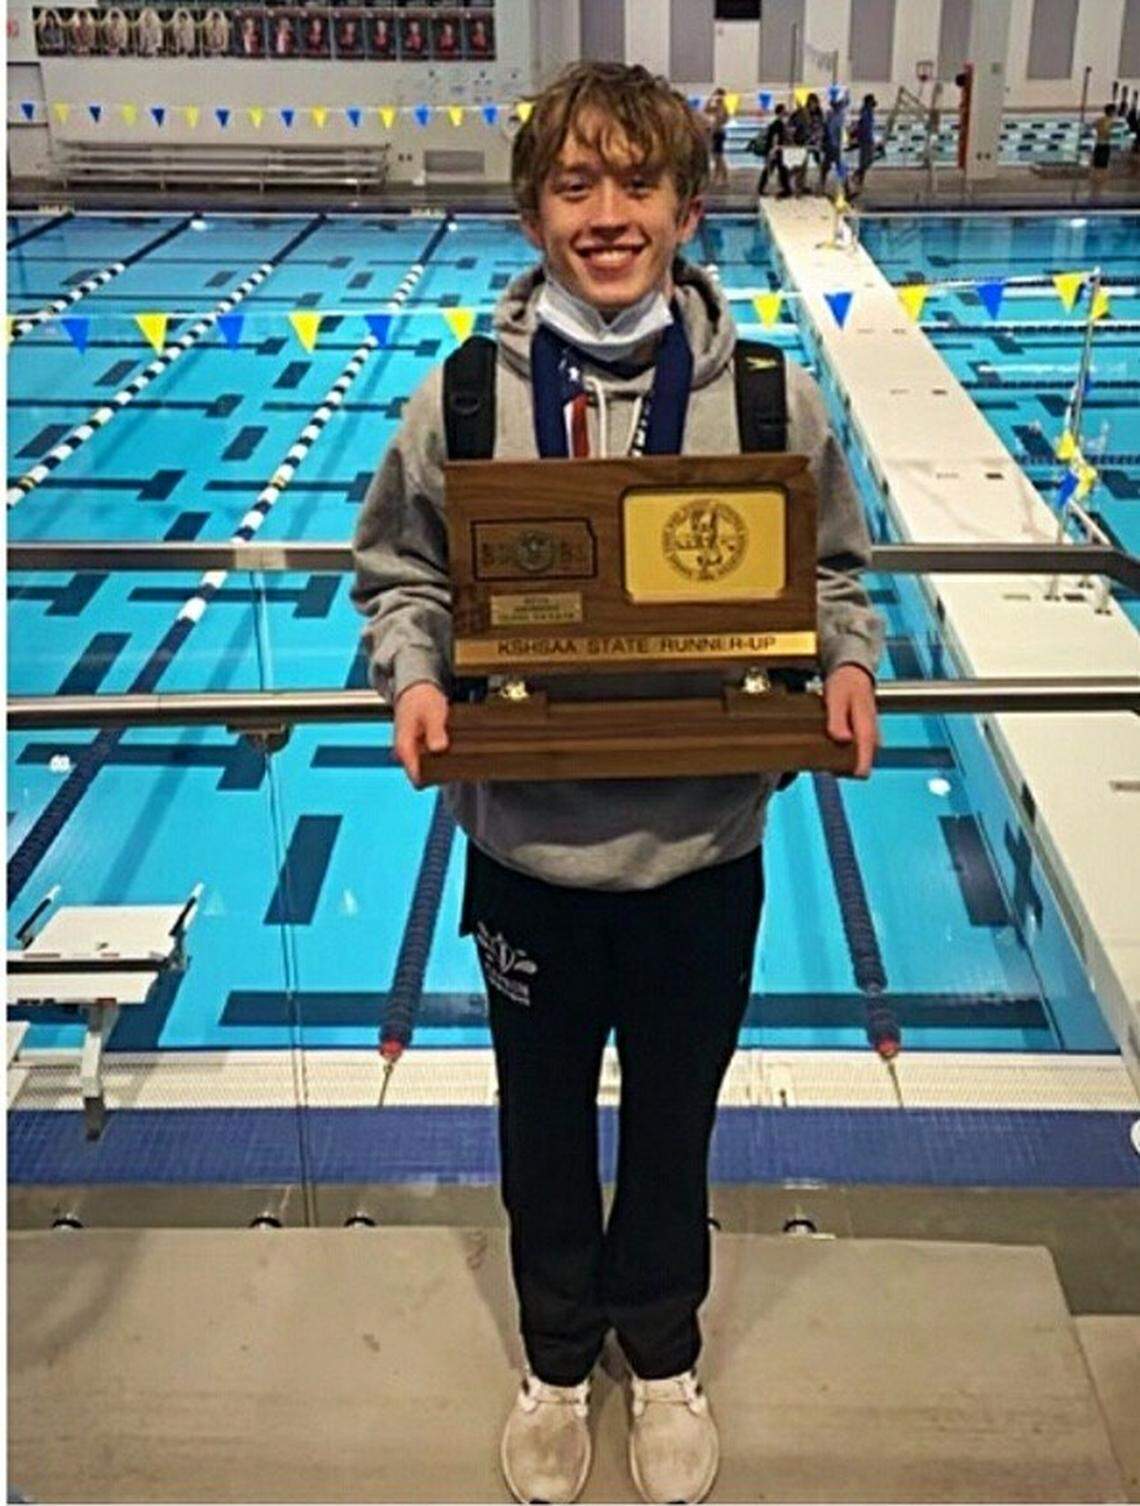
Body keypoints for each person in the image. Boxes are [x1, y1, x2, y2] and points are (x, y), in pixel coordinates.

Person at [352, 60, 881, 1506]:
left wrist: (846, 660)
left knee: (674, 1120)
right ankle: (552, 1352)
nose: (606, 214)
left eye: (634, 183)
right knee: (539, 1123)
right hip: (530, 848)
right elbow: (400, 568)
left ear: (687, 208)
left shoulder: (764, 394)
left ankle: (660, 1353)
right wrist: (411, 671)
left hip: (706, 846)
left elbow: (833, 566)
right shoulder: (463, 395)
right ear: (534, 213)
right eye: (575, 186)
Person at [753, 101, 791, 198]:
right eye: (784, 110)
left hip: (775, 149)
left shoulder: (777, 123)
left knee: (778, 169)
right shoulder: (777, 124)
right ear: (781, 112)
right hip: (775, 150)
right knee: (773, 169)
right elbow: (775, 138)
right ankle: (785, 188)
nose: (785, 112)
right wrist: (773, 150)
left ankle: (786, 188)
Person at [702, 87, 729, 188]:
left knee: (718, 156)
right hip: (713, 133)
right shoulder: (714, 105)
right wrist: (710, 100)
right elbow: (705, 110)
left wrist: (718, 118)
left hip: (718, 133)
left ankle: (723, 177)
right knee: (715, 156)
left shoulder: (722, 107)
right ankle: (716, 176)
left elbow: (724, 119)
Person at [852, 92, 878, 194]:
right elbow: (864, 127)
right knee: (866, 161)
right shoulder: (866, 112)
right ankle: (857, 177)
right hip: (866, 140)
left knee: (866, 161)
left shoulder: (868, 112)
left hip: (867, 139)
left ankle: (859, 179)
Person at [1090, 102, 1115, 196]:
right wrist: (1109, 134)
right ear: (1111, 112)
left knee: (1097, 165)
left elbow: (1093, 125)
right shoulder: (1109, 121)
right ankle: (1100, 187)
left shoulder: (1100, 119)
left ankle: (1095, 186)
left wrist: (1098, 131)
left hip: (1098, 143)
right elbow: (1106, 132)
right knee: (1103, 166)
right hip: (1105, 144)